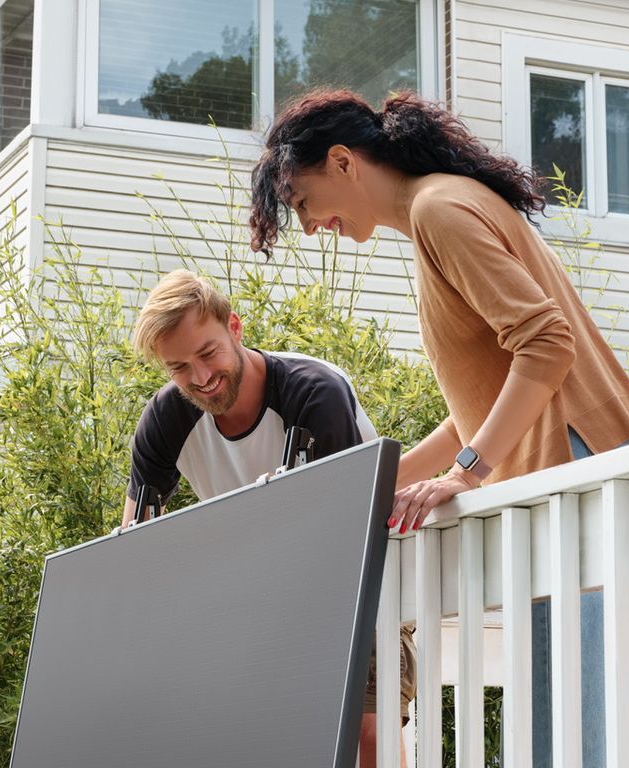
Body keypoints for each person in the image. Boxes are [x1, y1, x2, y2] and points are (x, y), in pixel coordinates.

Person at [249, 90, 629, 767]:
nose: (307, 225)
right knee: (625, 742)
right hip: (610, 462)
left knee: (572, 743)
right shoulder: (440, 210)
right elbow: (490, 395)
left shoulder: (441, 210)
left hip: (580, 470)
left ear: (343, 162)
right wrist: (374, 486)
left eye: (302, 202)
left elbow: (545, 345)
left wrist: (466, 472)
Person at [124, 269, 415, 768]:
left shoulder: (314, 391)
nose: (199, 377)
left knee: (364, 725)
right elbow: (136, 544)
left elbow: (341, 528)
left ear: (235, 328)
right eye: (178, 367)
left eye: (208, 353)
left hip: (357, 587)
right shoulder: (165, 420)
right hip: (254, 606)